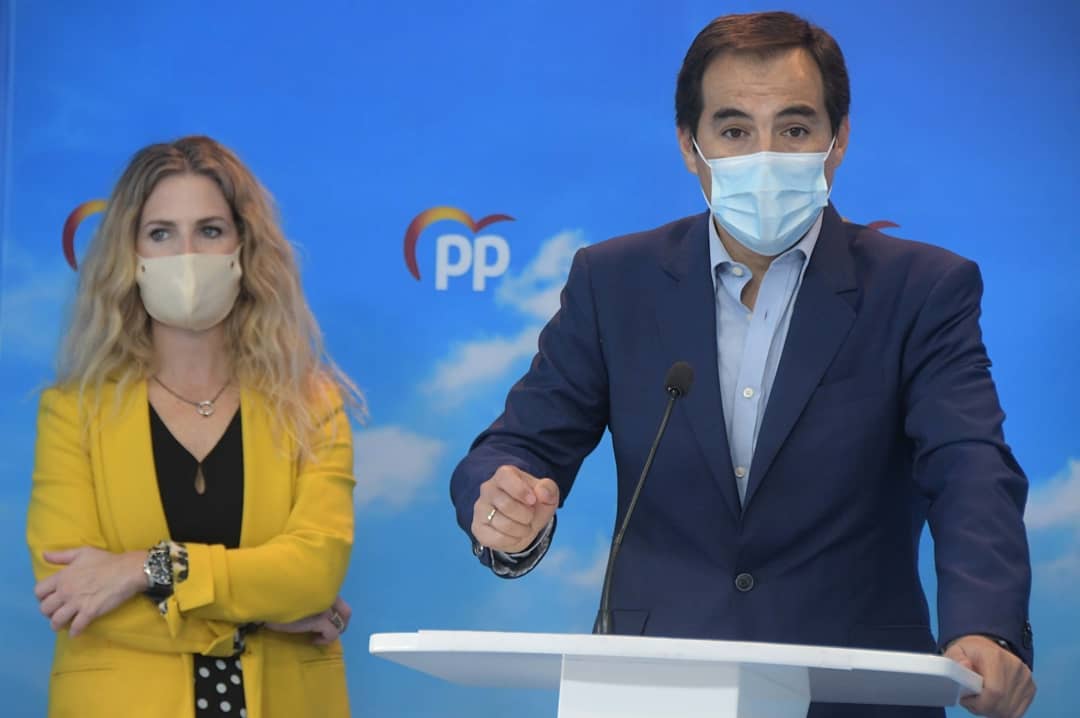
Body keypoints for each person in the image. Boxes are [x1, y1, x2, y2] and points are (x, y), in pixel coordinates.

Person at [450, 11, 1035, 718]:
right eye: (734, 131)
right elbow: (521, 445)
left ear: (838, 141)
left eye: (794, 129)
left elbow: (969, 465)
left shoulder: (921, 289)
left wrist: (985, 625)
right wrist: (503, 504)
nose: (765, 155)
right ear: (690, 148)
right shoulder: (615, 282)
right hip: (652, 690)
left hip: (852, 689)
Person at [27, 135, 362, 718]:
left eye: (209, 230)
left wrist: (142, 569)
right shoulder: (71, 412)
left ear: (244, 246)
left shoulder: (312, 404)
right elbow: (74, 596)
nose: (187, 253)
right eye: (161, 233)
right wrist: (262, 615)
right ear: (130, 255)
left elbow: (313, 572)